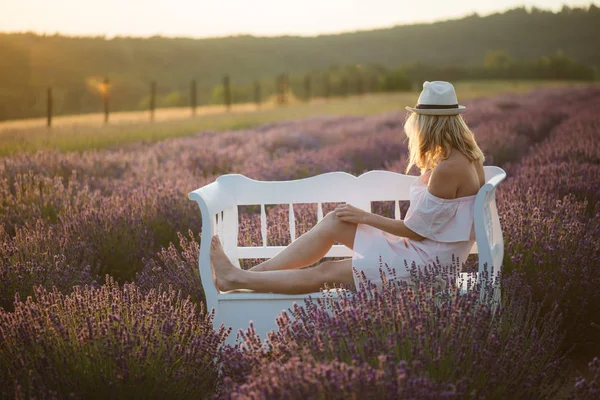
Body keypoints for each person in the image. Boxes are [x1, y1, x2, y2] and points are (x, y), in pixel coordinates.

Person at [210, 81, 486, 294]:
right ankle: (244, 277)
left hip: (426, 267)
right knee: (336, 221)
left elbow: (415, 232)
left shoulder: (449, 168)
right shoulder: (466, 158)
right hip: (423, 253)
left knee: (327, 272)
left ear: (426, 123)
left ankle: (237, 279)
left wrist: (366, 217)